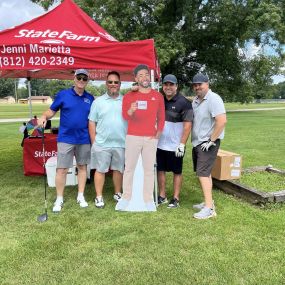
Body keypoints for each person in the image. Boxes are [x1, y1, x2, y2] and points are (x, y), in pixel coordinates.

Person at [38, 69, 94, 213]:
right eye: (79, 77)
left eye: (84, 78)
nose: (81, 80)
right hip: (66, 138)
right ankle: (59, 198)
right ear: (74, 78)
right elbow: (51, 111)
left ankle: (80, 196)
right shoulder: (63, 95)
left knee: (82, 167)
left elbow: (94, 119)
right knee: (62, 169)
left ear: (87, 80)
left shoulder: (90, 98)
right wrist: (44, 116)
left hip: (83, 138)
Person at [116, 64, 165, 211]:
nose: (144, 77)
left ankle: (148, 200)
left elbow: (161, 117)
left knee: (149, 170)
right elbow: (125, 116)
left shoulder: (158, 96)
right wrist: (130, 110)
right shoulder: (129, 96)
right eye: (141, 75)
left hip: (150, 138)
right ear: (136, 78)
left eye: (146, 74)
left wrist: (158, 133)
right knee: (129, 168)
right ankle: (126, 198)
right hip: (133, 137)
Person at [88, 71, 127, 208]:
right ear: (106, 84)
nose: (113, 84)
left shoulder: (126, 101)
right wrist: (94, 142)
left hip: (120, 143)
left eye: (116, 82)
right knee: (100, 170)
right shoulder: (98, 102)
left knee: (118, 170)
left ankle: (117, 193)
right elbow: (92, 122)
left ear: (120, 84)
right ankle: (99, 196)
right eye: (110, 82)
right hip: (102, 143)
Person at [191, 73, 227, 219]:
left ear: (207, 83)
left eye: (200, 84)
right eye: (195, 85)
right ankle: (209, 201)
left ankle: (209, 209)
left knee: (202, 173)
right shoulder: (196, 100)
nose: (197, 87)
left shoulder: (214, 99)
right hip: (198, 142)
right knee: (205, 173)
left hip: (208, 143)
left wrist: (211, 140)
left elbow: (222, 121)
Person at [157, 74, 193, 208]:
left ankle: (176, 198)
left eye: (171, 84)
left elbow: (188, 125)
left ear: (176, 86)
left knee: (177, 172)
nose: (168, 87)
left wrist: (182, 144)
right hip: (160, 144)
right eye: (166, 84)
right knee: (160, 170)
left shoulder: (184, 102)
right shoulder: (159, 100)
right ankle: (162, 196)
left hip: (175, 146)